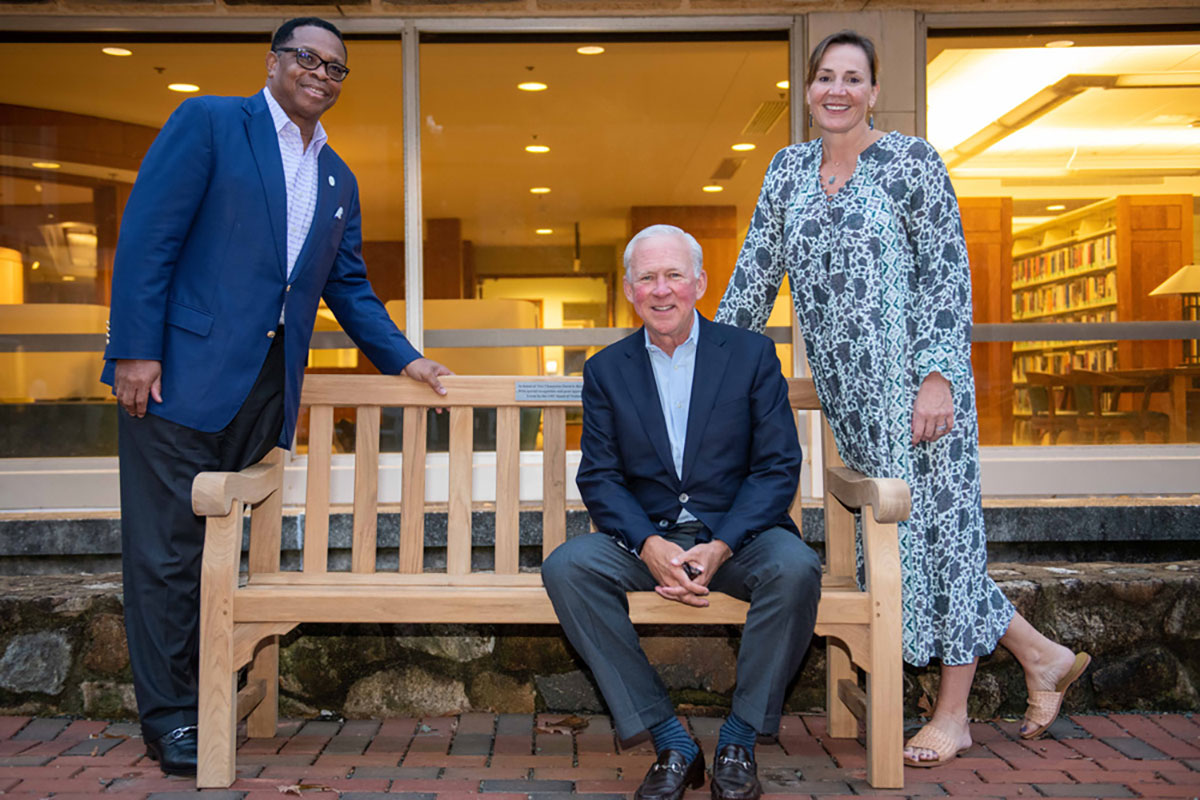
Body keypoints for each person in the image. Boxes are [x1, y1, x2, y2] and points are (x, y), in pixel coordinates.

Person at [715, 30, 1090, 768]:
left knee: (943, 543)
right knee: (904, 545)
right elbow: (752, 279)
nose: (838, 90)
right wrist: (703, 361)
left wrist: (940, 375)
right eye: (825, 77)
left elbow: (948, 274)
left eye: (853, 78)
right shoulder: (787, 172)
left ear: (874, 91)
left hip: (922, 397)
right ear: (808, 88)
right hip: (853, 403)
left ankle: (954, 715)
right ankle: (1041, 656)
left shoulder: (912, 162)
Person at [102, 17, 451, 777]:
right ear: (273, 62)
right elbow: (148, 236)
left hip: (265, 395)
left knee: (218, 564)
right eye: (306, 57)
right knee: (165, 560)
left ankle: (207, 701)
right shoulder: (210, 122)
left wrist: (409, 359)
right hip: (175, 382)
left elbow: (347, 287)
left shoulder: (337, 177)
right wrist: (134, 349)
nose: (320, 72)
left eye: (335, 67)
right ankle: (171, 722)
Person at [542, 224, 821, 800]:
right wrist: (648, 544)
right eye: (647, 277)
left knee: (795, 569)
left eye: (674, 275)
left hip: (740, 539)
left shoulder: (749, 355)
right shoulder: (605, 369)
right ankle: (673, 740)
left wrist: (720, 544)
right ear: (628, 288)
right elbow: (600, 475)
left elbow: (776, 467)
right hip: (650, 543)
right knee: (568, 567)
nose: (661, 290)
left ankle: (739, 739)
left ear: (699, 283)